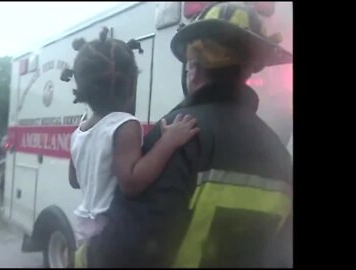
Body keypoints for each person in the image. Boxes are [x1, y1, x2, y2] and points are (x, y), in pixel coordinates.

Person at [86, 2, 293, 268]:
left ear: (193, 70)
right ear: (250, 69)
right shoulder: (280, 155)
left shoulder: (177, 135)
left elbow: (126, 253)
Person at [60, 27, 200, 266]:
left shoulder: (80, 129)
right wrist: (168, 141)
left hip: (87, 226)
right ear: (131, 84)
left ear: (82, 89)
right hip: (112, 230)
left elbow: (74, 180)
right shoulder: (125, 125)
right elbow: (132, 183)